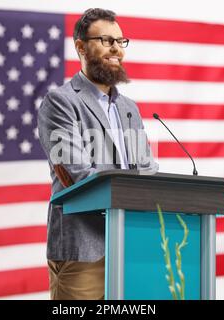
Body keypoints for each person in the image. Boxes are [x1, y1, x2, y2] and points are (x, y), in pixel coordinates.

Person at [37, 8, 158, 300]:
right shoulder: (61, 102)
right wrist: (134, 195)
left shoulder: (129, 107)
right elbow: (78, 175)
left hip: (131, 244)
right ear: (80, 46)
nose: (117, 48)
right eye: (106, 40)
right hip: (84, 249)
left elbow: (147, 169)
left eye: (120, 41)